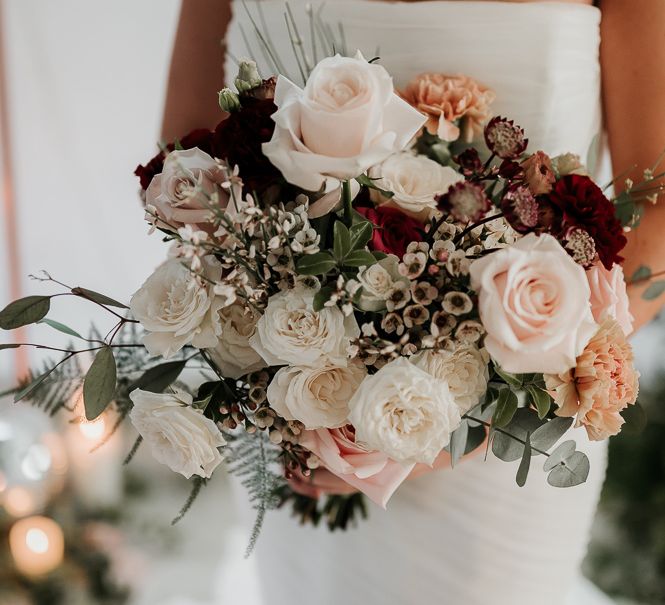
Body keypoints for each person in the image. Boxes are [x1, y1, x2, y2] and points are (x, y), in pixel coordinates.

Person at [161, 1, 665, 603]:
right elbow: (182, 170)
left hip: (511, 435)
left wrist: (473, 416)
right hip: (299, 406)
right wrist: (297, 381)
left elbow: (658, 212)